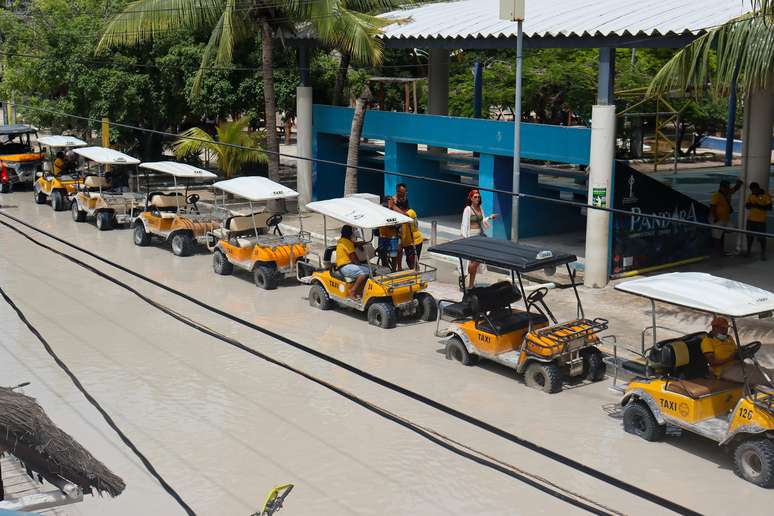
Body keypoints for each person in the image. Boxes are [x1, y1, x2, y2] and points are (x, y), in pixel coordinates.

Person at [701, 317, 772, 385]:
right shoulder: (707, 341)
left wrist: (742, 353)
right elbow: (712, 362)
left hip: (739, 365)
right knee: (764, 377)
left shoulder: (729, 338)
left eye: (726, 328)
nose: (725, 331)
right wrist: (731, 358)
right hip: (724, 370)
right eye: (722, 328)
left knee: (766, 371)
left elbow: (735, 351)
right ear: (714, 328)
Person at [460, 189, 497, 289]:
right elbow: (464, 224)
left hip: (479, 237)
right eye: (475, 197)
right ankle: (467, 280)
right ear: (471, 198)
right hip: (471, 237)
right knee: (472, 262)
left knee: (476, 261)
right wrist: (464, 237)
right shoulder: (468, 209)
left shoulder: (480, 208)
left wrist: (490, 217)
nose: (477, 198)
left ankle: (468, 281)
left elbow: (482, 220)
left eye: (478, 197)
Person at [709, 179, 743, 255]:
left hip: (725, 219)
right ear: (721, 187)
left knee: (727, 231)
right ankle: (717, 251)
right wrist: (715, 217)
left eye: (728, 187)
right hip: (718, 219)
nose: (728, 189)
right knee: (717, 237)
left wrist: (738, 184)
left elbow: (735, 189)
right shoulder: (716, 195)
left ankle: (720, 250)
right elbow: (712, 207)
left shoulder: (728, 193)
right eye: (726, 188)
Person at [336, 225, 369, 299]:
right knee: (365, 271)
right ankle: (353, 291)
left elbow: (352, 243)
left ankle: (360, 291)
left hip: (343, 265)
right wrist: (360, 264)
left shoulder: (342, 240)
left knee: (368, 268)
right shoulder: (347, 243)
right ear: (350, 234)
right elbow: (353, 257)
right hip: (345, 267)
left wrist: (358, 244)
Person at [744, 182, 772, 261]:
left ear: (757, 188)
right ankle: (748, 251)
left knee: (762, 238)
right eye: (751, 190)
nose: (752, 191)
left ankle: (763, 253)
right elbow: (747, 205)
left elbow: (769, 207)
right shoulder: (751, 195)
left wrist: (757, 206)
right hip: (750, 220)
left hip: (761, 221)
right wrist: (750, 205)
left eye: (753, 190)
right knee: (749, 237)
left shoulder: (766, 196)